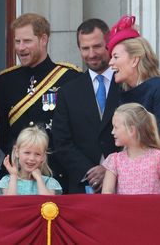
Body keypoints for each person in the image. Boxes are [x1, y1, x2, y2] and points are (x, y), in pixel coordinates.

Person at [107, 15, 160, 193]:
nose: (110, 63)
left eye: (115, 56)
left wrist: (133, 169)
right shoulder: (121, 93)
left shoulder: (159, 88)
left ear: (134, 59)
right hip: (136, 182)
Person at [0, 13, 81, 186]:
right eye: (17, 42)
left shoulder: (69, 78)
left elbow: (76, 131)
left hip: (57, 173)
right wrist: (24, 159)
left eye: (27, 41)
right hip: (17, 174)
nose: (20, 48)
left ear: (43, 39)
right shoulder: (5, 80)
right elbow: (2, 133)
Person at [52, 18, 120, 194]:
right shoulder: (68, 91)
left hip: (126, 182)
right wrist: (90, 172)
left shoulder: (127, 84)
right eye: (85, 48)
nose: (91, 54)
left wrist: (111, 170)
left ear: (109, 44)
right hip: (84, 186)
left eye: (97, 46)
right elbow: (62, 142)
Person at [102, 103, 160, 194]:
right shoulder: (114, 160)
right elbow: (107, 192)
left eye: (116, 127)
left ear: (132, 130)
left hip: (154, 208)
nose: (112, 132)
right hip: (124, 209)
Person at [0, 125, 62, 195]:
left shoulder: (49, 182)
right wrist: (13, 176)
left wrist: (39, 179)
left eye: (37, 154)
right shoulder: (7, 181)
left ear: (43, 157)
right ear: (17, 152)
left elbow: (48, 203)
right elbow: (10, 203)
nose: (32, 158)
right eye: (27, 153)